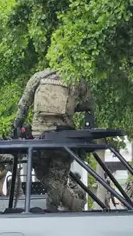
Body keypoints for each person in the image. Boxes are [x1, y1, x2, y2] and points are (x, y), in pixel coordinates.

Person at [13, 69, 94, 212]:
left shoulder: (37, 77)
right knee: (58, 178)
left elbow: (23, 105)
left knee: (42, 174)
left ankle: (64, 207)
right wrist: (72, 109)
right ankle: (58, 209)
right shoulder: (76, 79)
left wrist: (16, 126)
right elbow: (89, 104)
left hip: (40, 136)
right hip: (64, 136)